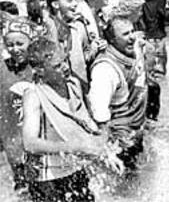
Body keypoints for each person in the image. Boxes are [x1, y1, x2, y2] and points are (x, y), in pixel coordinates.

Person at [22, 38, 121, 202]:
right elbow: (30, 143)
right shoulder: (33, 95)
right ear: (39, 70)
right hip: (47, 180)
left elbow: (89, 126)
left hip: (73, 170)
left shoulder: (73, 85)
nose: (65, 67)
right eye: (57, 66)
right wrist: (75, 147)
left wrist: (106, 153)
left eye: (65, 61)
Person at [88, 11, 147, 171]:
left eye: (132, 31)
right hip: (119, 139)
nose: (132, 37)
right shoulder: (105, 69)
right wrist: (107, 150)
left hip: (133, 131)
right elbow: (99, 112)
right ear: (112, 40)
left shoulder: (130, 50)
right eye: (126, 34)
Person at [0, 16, 36, 195]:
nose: (14, 49)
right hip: (13, 142)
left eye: (20, 43)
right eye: (10, 44)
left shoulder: (39, 68)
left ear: (30, 42)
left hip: (39, 142)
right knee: (22, 189)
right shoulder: (2, 69)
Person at [45, 0, 107, 87]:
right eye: (70, 0)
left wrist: (96, 47)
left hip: (81, 86)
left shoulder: (78, 26)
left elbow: (84, 56)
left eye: (75, 0)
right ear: (55, 4)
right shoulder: (49, 30)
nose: (75, 4)